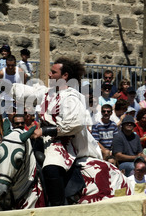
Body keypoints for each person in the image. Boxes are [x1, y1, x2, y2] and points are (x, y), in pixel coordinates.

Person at [30, 57, 103, 206]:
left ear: (65, 76)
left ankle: (58, 210)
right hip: (45, 139)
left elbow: (74, 124)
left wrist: (43, 131)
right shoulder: (48, 93)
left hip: (64, 142)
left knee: (51, 168)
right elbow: (29, 92)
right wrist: (8, 88)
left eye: (53, 72)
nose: (49, 75)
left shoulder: (72, 97)